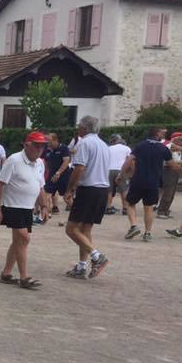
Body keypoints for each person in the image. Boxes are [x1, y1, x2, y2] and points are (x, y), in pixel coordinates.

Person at [0, 131, 50, 289]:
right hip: (12, 205)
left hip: (27, 207)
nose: (40, 149)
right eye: (36, 146)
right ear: (26, 145)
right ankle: (24, 277)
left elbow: (40, 186)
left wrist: (44, 206)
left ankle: (6, 273)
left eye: (42, 146)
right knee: (24, 239)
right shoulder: (14, 160)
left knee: (18, 241)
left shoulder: (40, 163)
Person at [64, 116, 111, 279]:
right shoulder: (104, 145)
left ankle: (97, 257)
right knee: (85, 230)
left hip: (88, 189)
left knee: (71, 229)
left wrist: (69, 189)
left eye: (79, 125)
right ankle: (82, 266)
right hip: (102, 189)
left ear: (84, 127)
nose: (78, 128)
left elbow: (79, 168)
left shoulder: (84, 143)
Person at [122, 127, 171, 242]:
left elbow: (129, 161)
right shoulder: (163, 148)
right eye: (162, 133)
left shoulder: (140, 146)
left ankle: (134, 226)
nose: (163, 135)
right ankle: (147, 233)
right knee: (149, 208)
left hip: (138, 179)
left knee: (129, 203)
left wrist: (121, 174)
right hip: (154, 181)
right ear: (157, 134)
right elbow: (171, 163)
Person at [42, 132, 72, 214]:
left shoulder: (63, 148)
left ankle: (77, 213)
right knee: (46, 195)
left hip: (64, 175)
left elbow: (66, 161)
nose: (47, 143)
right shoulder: (47, 150)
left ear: (55, 140)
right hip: (52, 175)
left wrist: (58, 173)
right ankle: (46, 214)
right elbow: (46, 163)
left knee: (66, 197)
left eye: (49, 141)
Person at [106, 134, 131, 215]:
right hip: (121, 170)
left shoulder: (109, 148)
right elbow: (129, 160)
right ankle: (125, 208)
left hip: (109, 170)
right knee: (124, 190)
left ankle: (108, 207)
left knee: (109, 190)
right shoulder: (126, 148)